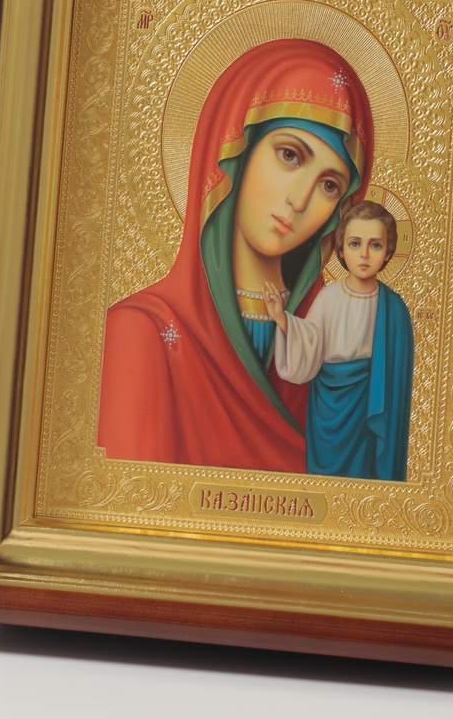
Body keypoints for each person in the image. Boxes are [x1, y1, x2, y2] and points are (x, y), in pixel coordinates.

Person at [97, 39, 374, 471]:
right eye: (289, 155)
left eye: (329, 185)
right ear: (235, 154)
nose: (300, 200)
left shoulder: (333, 347)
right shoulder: (142, 333)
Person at [263, 201, 413, 481]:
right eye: (355, 244)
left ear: (388, 251)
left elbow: (398, 382)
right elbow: (309, 341)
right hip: (329, 406)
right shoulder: (328, 298)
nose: (364, 254)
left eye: (375, 245)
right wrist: (282, 319)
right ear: (341, 249)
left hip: (370, 407)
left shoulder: (395, 308)